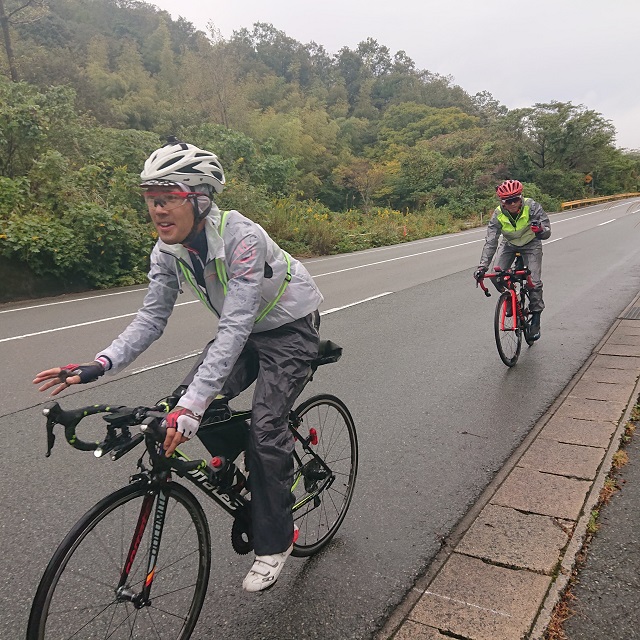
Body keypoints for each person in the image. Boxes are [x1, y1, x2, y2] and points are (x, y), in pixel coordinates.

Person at [33, 137, 324, 592]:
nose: (157, 210)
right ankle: (247, 479)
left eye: (168, 198)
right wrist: (99, 364)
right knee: (177, 406)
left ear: (200, 199)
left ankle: (278, 537)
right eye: (151, 200)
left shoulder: (242, 238)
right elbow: (152, 318)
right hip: (243, 332)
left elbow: (234, 327)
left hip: (288, 329)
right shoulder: (166, 251)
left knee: (264, 426)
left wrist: (194, 406)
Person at [473, 179, 551, 340]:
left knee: (534, 282)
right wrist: (482, 267)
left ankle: (536, 317)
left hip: (531, 243)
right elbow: (491, 241)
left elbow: (547, 232)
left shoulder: (532, 206)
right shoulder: (498, 213)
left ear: (521, 197)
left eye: (516, 199)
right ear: (502, 201)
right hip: (509, 244)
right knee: (497, 275)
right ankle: (509, 297)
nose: (513, 204)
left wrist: (540, 230)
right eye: (508, 201)